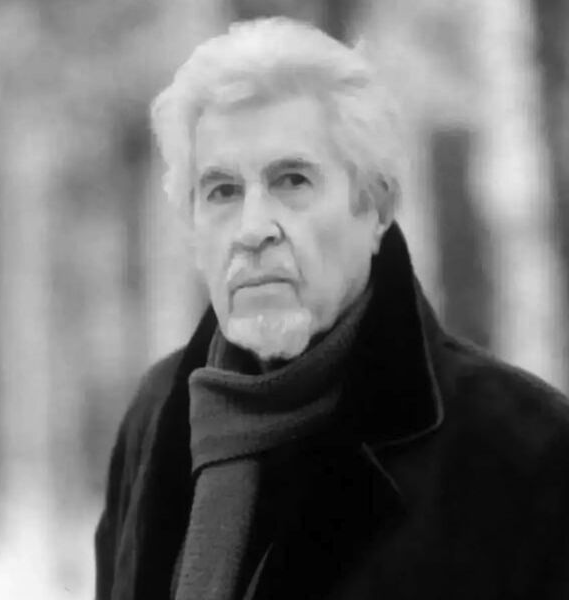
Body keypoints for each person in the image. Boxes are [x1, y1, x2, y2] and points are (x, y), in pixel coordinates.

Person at [94, 17, 569, 600]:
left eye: (292, 180)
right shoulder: (156, 416)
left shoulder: (525, 448)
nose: (252, 228)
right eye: (223, 191)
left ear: (376, 207)